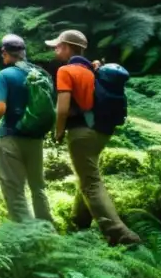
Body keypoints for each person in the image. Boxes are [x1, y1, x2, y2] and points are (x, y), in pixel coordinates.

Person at [47, 29, 141, 246]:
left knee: (91, 182)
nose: (55, 49)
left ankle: (120, 233)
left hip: (81, 133)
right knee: (87, 174)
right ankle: (79, 221)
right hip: (101, 132)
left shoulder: (67, 70)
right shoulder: (94, 70)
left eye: (58, 46)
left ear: (69, 47)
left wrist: (58, 131)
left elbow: (62, 109)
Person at [0, 34, 53, 223]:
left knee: (13, 186)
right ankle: (47, 227)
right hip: (36, 136)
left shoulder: (5, 75)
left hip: (11, 137)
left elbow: (0, 108)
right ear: (23, 52)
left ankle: (24, 232)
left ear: (4, 52)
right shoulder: (40, 74)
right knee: (38, 186)